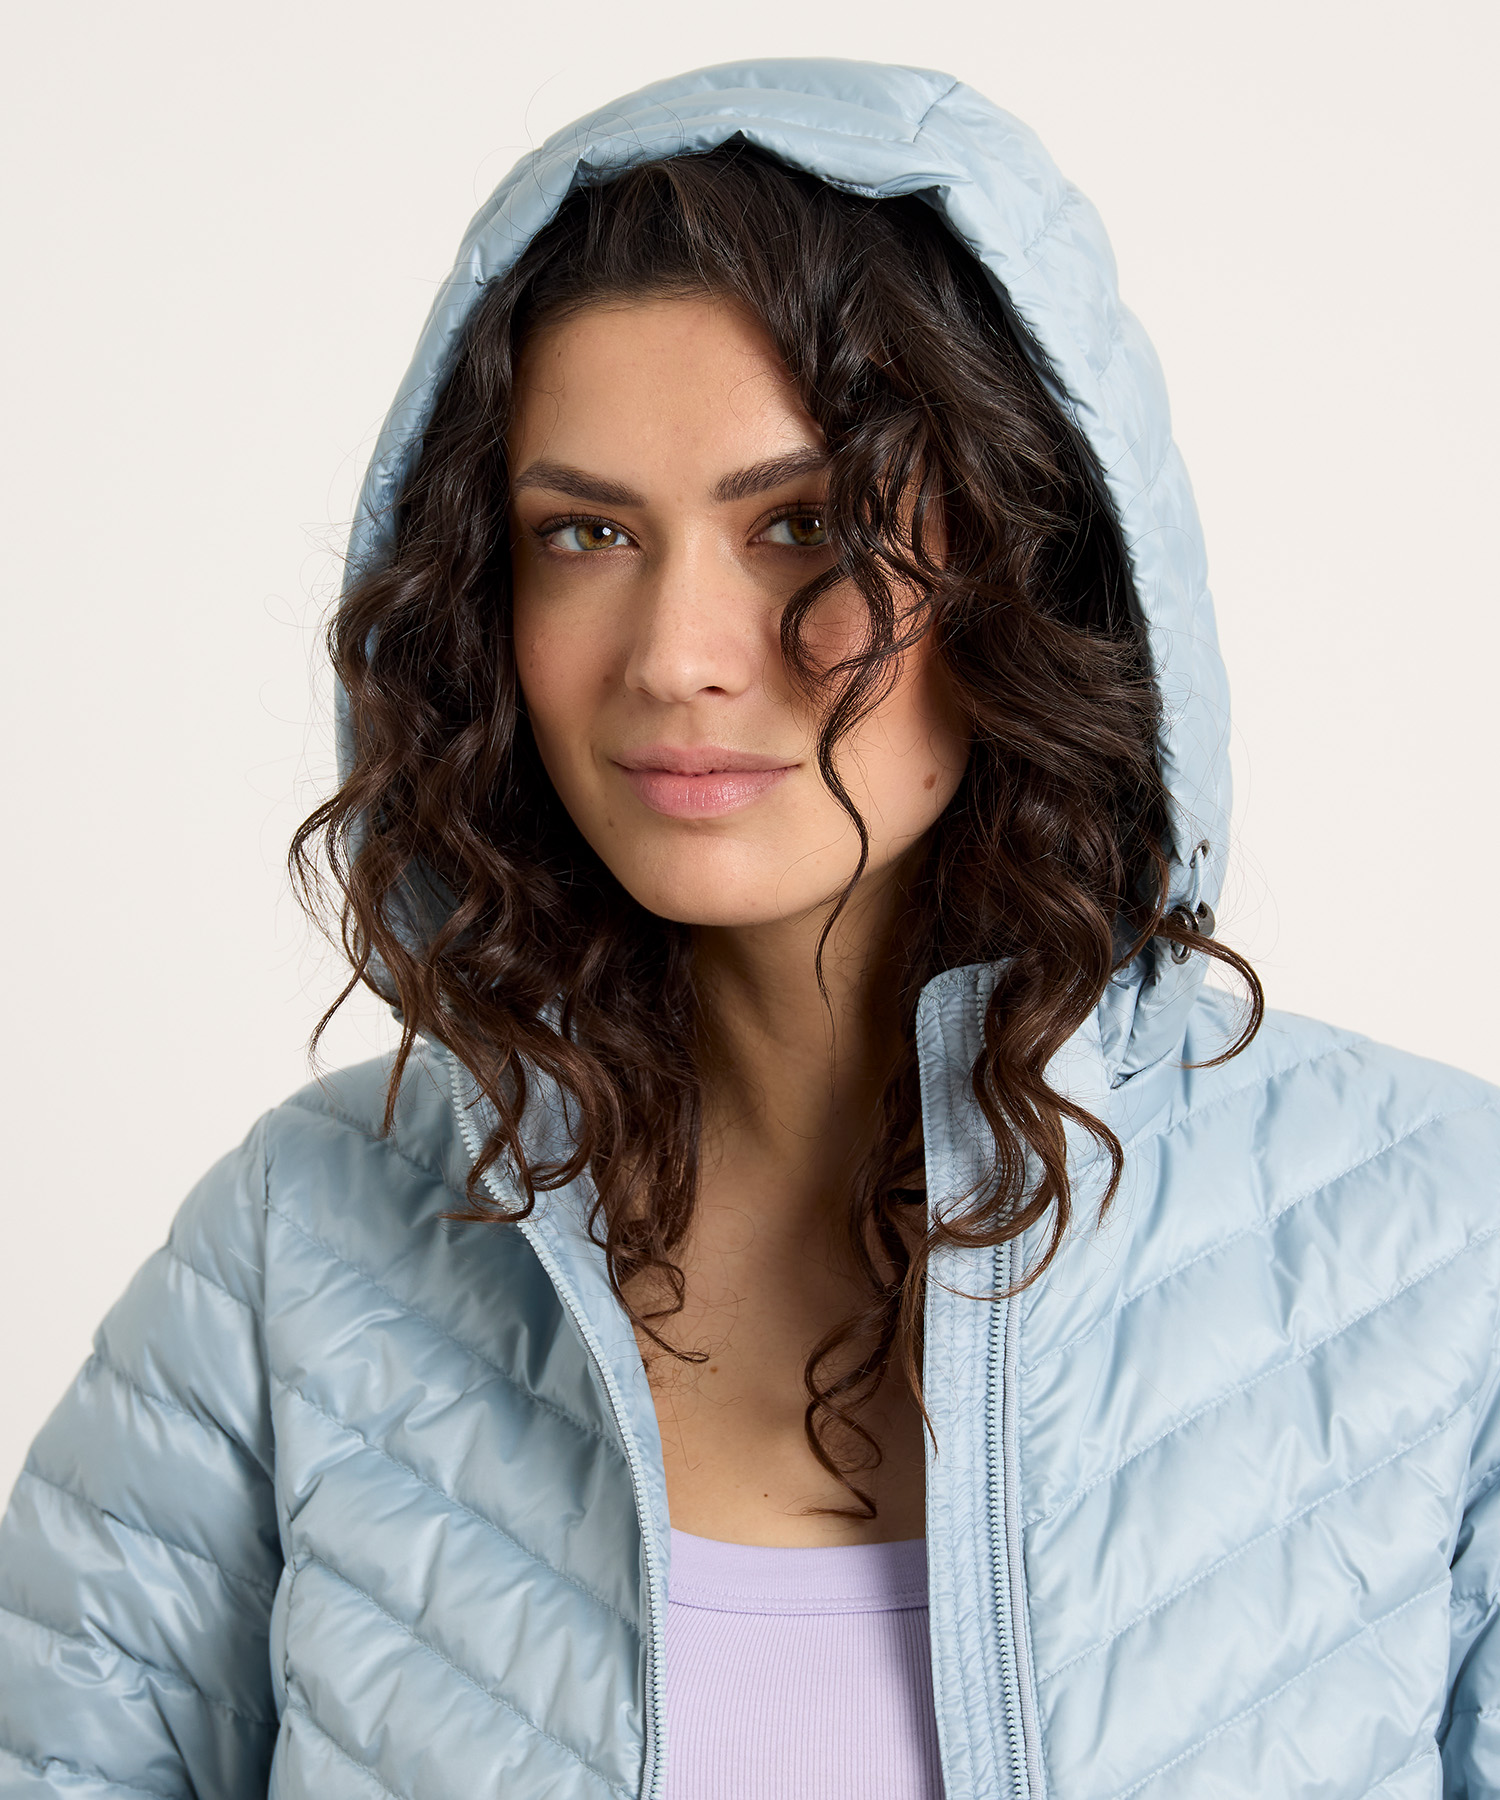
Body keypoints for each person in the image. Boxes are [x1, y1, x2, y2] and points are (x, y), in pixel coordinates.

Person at [2, 55, 1497, 1800]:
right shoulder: (301, 1244)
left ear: (1026, 560)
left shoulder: (1444, 1243)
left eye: (801, 526)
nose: (673, 655)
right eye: (584, 533)